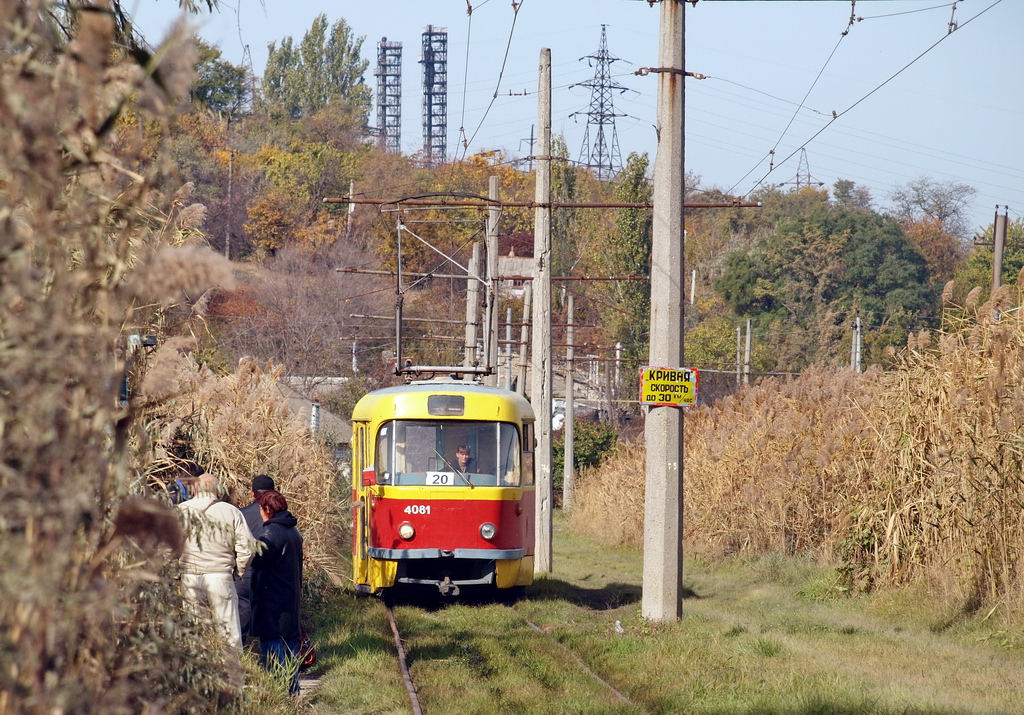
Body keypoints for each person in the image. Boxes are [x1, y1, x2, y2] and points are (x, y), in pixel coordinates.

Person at [177, 473, 253, 690]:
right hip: (220, 577)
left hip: (190, 577)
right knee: (228, 632)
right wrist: (237, 571)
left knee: (194, 631)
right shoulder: (230, 511)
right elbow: (246, 549)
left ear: (195, 490)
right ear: (217, 491)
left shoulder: (181, 511)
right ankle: (234, 686)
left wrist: (175, 572)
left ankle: (196, 684)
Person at [250, 489, 303, 696]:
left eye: (261, 509)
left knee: (272, 648)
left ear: (267, 509)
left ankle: (277, 693)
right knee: (289, 646)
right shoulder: (293, 531)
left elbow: (256, 559)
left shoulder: (271, 533)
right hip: (290, 598)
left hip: (271, 600)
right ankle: (292, 690)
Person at [236, 474, 275, 637]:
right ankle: (270, 655)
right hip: (271, 575)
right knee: (270, 619)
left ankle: (241, 653)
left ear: (252, 493)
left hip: (246, 573)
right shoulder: (279, 515)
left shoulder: (240, 514)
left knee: (241, 617)